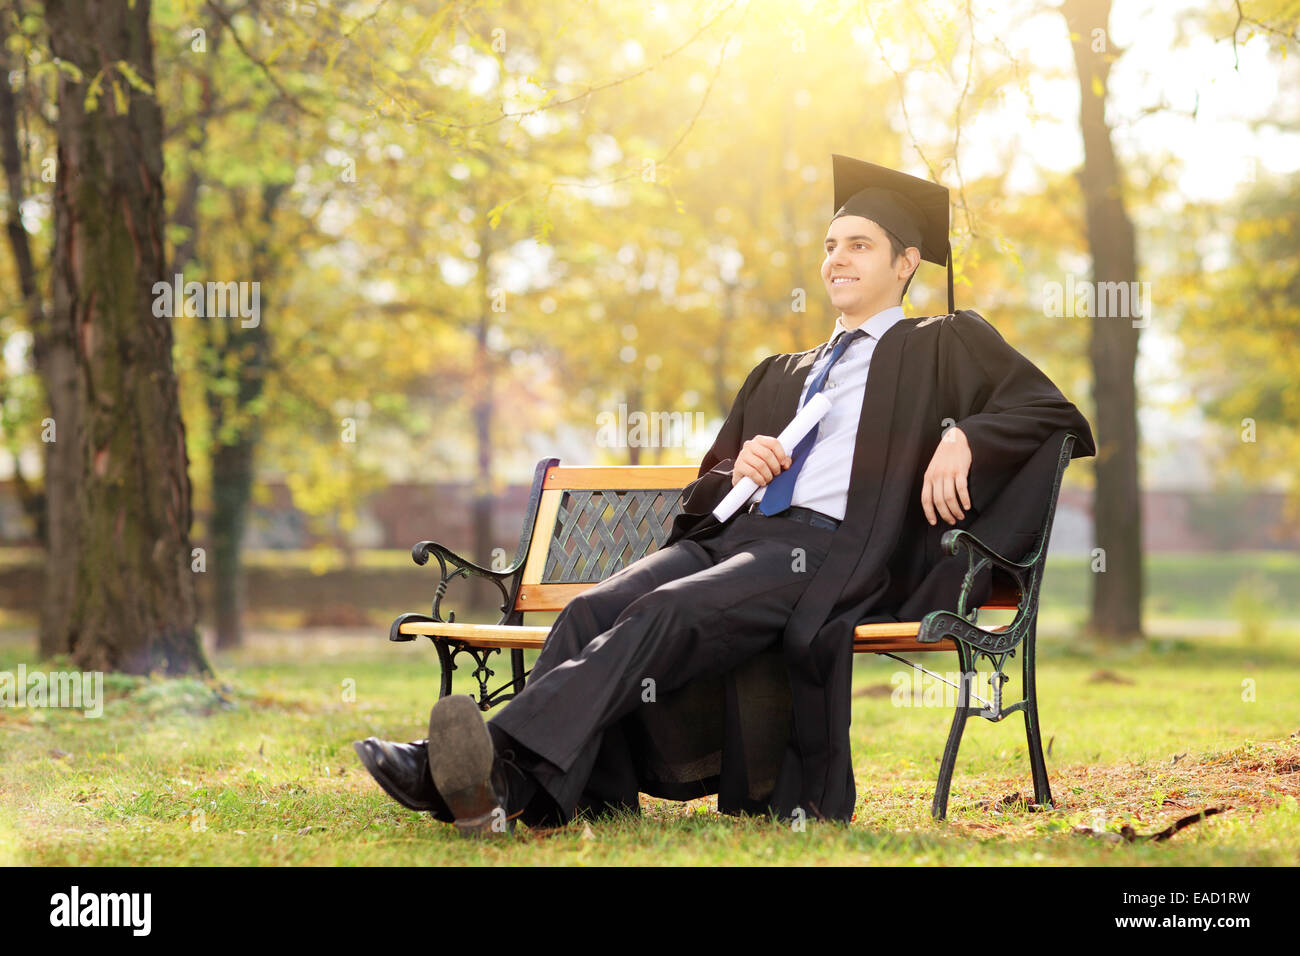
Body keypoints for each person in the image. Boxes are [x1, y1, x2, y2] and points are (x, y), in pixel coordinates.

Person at [354, 154, 1097, 836]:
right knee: (589, 609)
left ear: (906, 262)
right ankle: (546, 793)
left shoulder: (941, 343)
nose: (837, 258)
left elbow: (1052, 412)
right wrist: (741, 468)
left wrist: (967, 435)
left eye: (860, 245)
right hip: (733, 539)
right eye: (832, 245)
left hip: (825, 553)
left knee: (666, 611)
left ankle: (480, 771)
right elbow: (705, 492)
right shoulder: (781, 373)